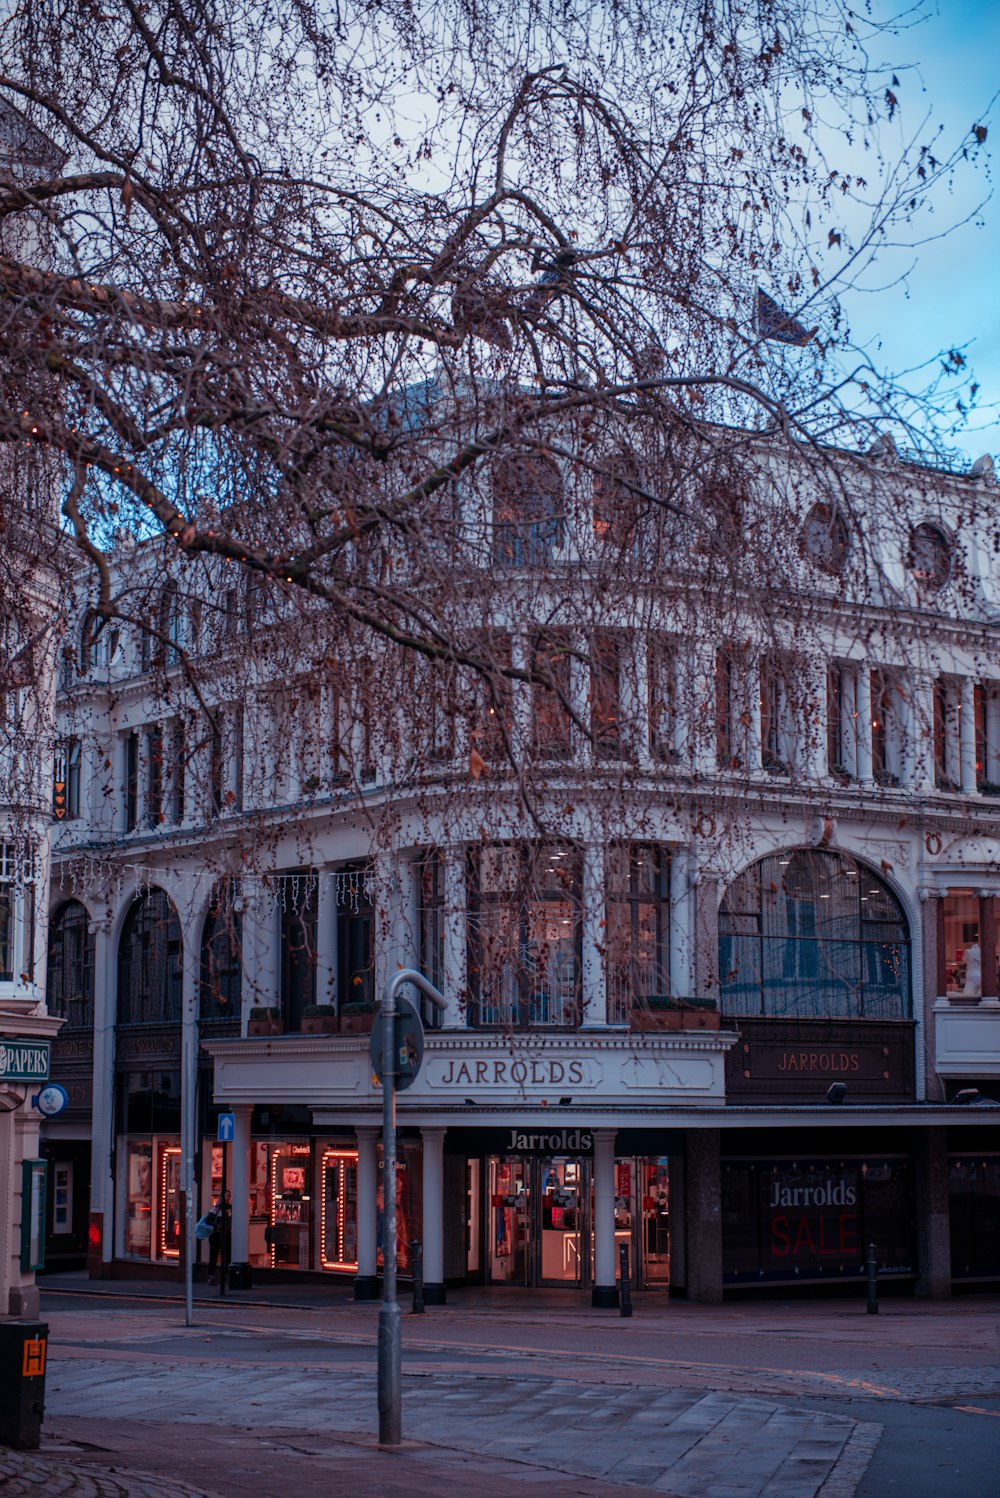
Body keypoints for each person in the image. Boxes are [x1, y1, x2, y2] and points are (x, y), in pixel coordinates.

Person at [207, 1191, 232, 1285]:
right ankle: (211, 1276)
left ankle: (225, 1275)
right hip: (216, 1235)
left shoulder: (230, 1209)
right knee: (214, 1255)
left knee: (227, 1255)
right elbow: (208, 1220)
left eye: (229, 1196)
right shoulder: (216, 1208)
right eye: (226, 1195)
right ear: (221, 1197)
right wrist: (217, 1225)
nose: (227, 1197)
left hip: (226, 1235)